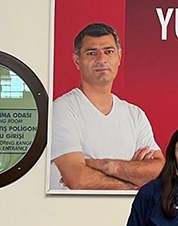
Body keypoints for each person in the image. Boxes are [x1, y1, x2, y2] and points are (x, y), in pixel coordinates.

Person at [51, 23, 163, 191]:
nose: (101, 59)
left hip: (125, 209)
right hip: (74, 209)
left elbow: (159, 170)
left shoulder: (134, 115)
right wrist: (134, 179)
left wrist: (108, 165)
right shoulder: (63, 109)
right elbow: (78, 179)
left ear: (119, 56)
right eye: (91, 53)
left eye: (108, 51)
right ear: (77, 61)